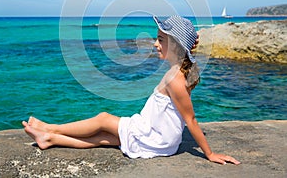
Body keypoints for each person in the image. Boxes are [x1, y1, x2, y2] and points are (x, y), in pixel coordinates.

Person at [22, 15, 240, 165]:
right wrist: (189, 42)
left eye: (160, 40)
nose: (155, 44)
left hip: (156, 136)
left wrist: (209, 154)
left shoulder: (175, 78)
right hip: (152, 131)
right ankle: (49, 139)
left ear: (175, 45)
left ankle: (51, 128)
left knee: (103, 119)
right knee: (104, 138)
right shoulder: (180, 70)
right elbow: (189, 69)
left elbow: (190, 119)